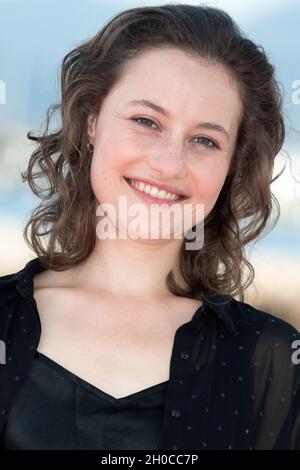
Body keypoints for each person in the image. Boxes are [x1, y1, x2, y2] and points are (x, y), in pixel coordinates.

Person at [0, 3, 299, 451]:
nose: (168, 163)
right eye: (146, 121)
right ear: (90, 122)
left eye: (205, 140)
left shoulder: (273, 360)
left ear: (233, 164)